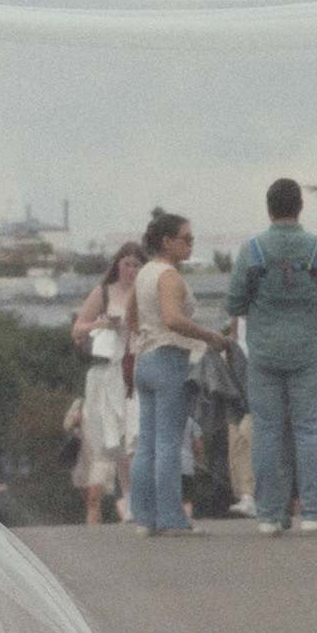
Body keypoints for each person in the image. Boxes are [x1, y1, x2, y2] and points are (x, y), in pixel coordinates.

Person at [225, 178, 317, 534]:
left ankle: (268, 515)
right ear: (301, 206)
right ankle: (312, 512)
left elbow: (234, 302)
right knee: (310, 430)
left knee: (266, 430)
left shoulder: (253, 250)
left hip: (263, 352)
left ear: (268, 207)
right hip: (308, 350)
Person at [127, 213, 233, 537]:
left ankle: (144, 515)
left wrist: (146, 334)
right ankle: (172, 517)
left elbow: (131, 316)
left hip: (144, 359)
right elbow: (173, 319)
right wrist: (209, 337)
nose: (191, 244)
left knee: (146, 442)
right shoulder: (170, 276)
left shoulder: (145, 272)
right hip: (169, 357)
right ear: (167, 241)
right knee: (168, 442)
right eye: (186, 238)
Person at [71, 240, 143, 522]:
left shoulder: (145, 292)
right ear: (117, 266)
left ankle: (139, 498)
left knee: (135, 434)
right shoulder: (103, 292)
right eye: (126, 264)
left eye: (137, 264)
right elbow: (78, 329)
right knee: (118, 439)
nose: (131, 270)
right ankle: (130, 498)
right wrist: (102, 323)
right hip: (110, 370)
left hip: (136, 366)